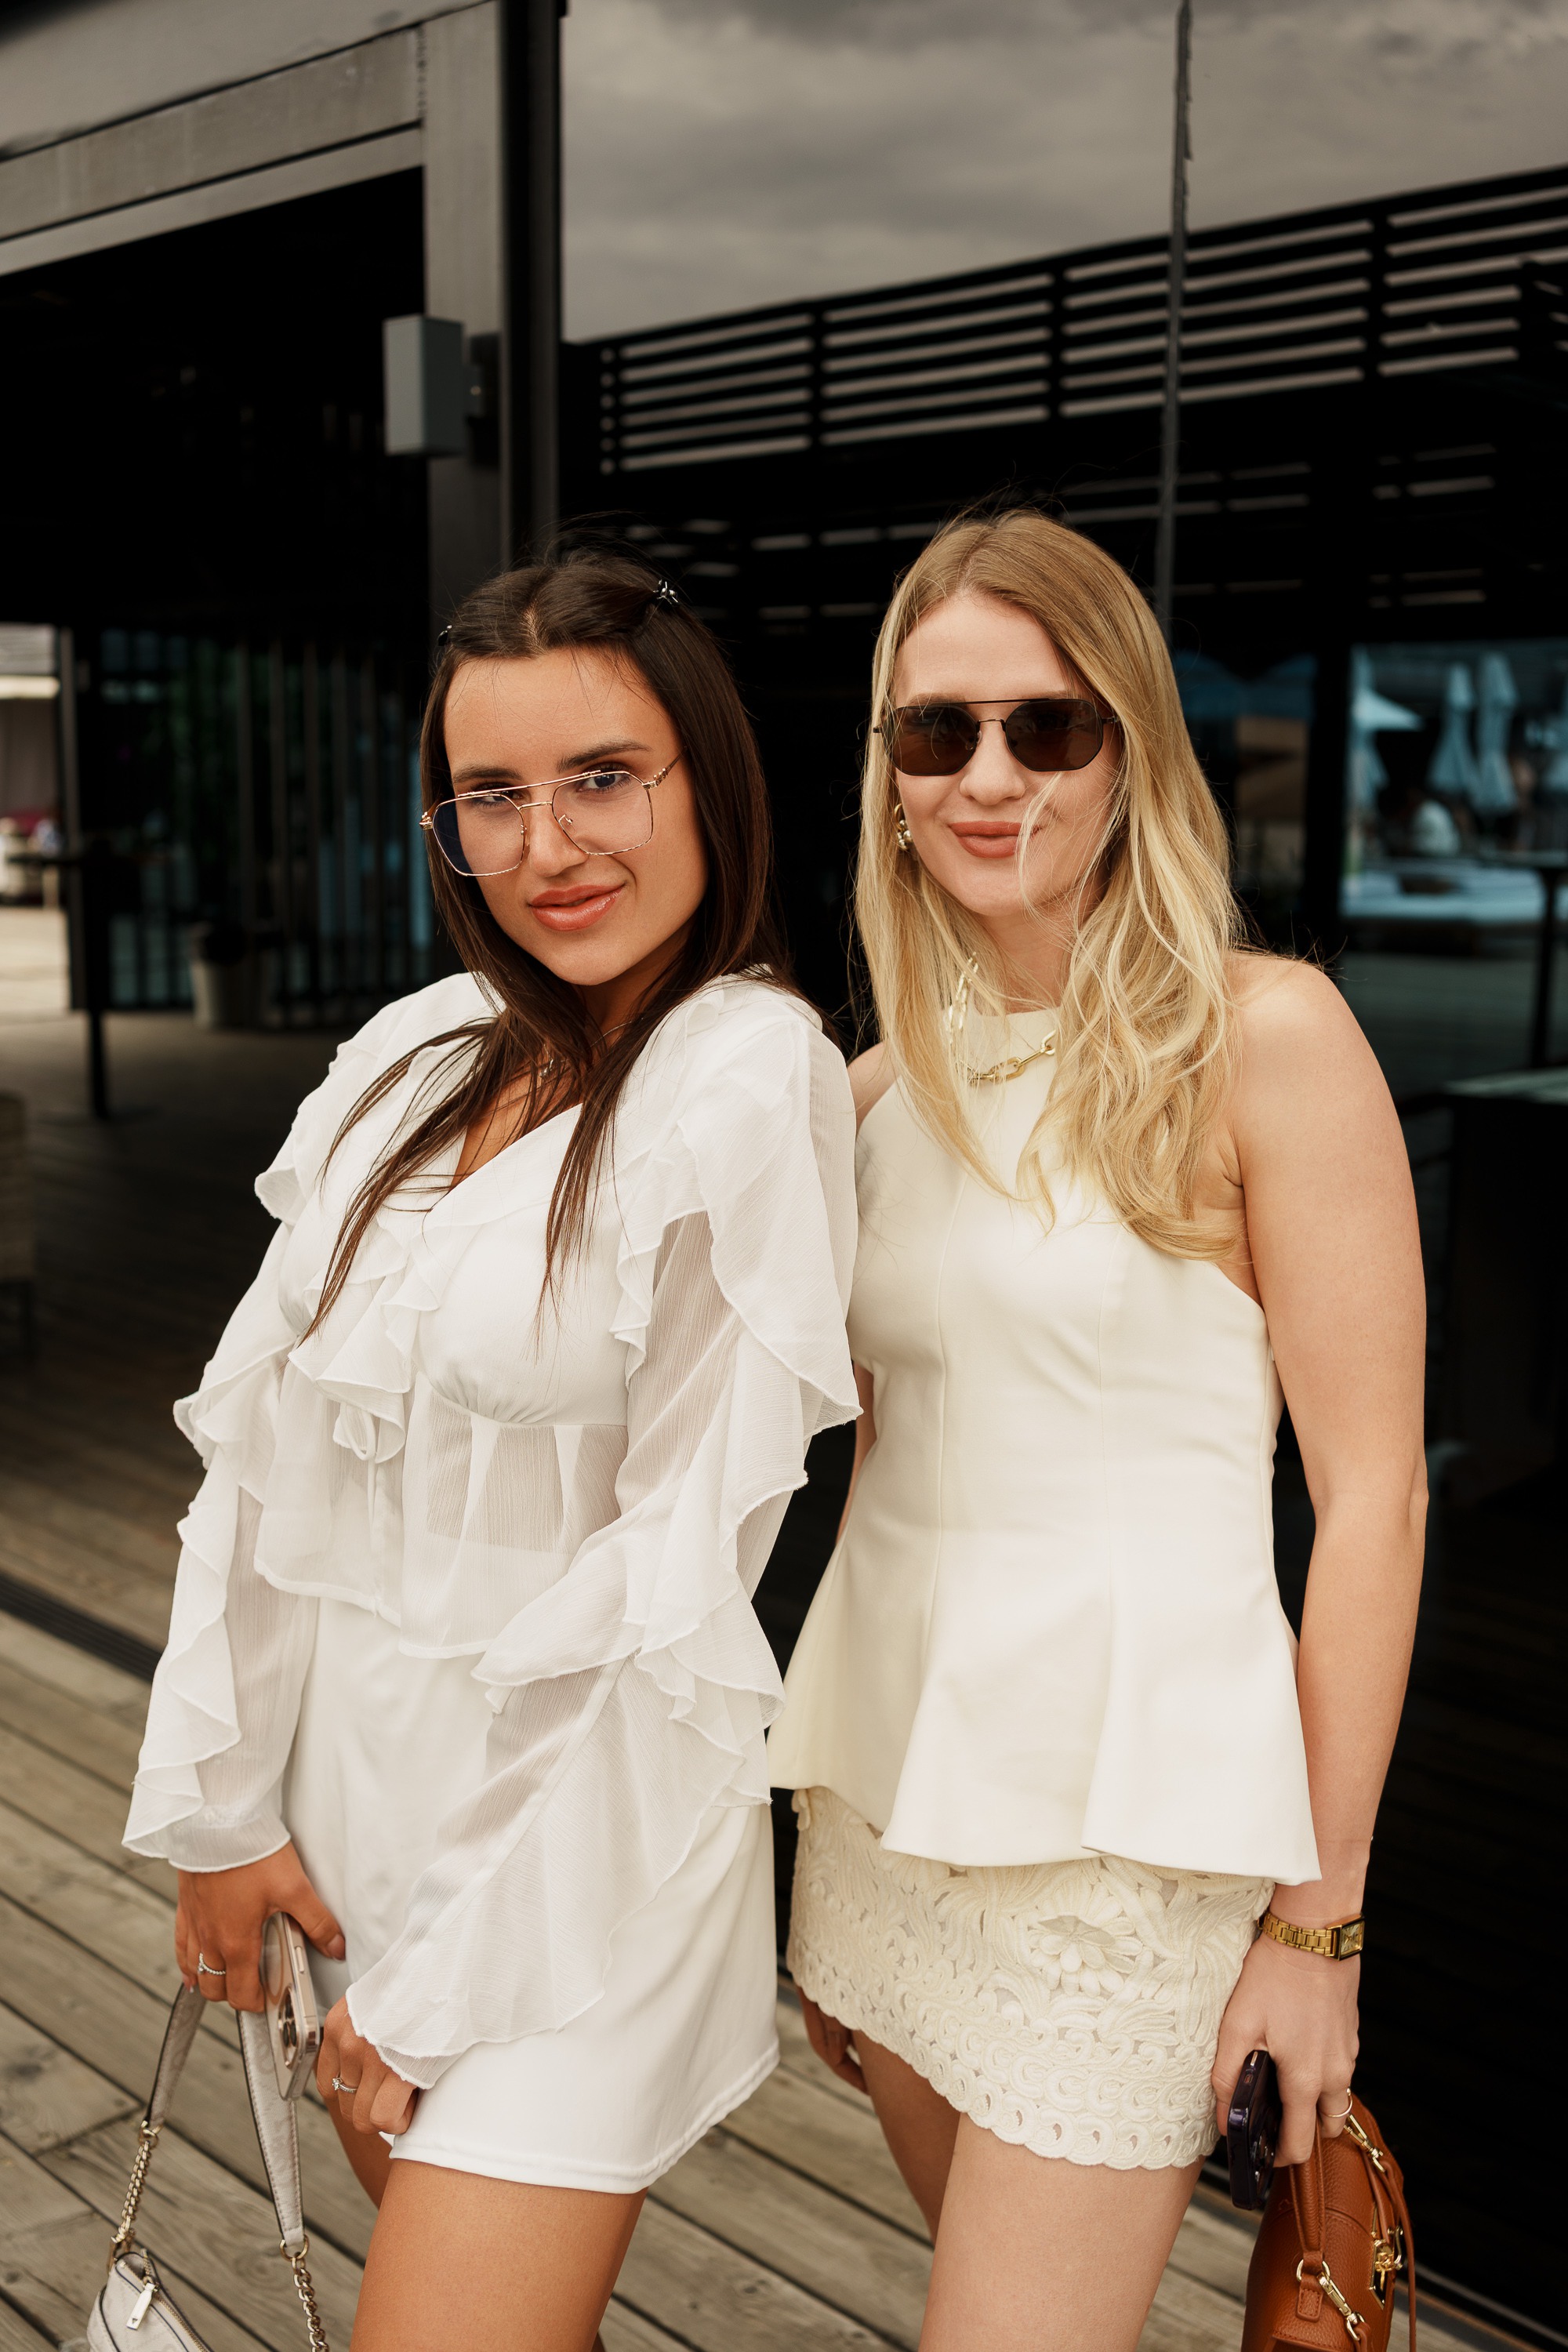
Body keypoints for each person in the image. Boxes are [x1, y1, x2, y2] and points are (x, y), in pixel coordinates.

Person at [125, 552, 858, 2352]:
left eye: (603, 777)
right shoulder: (420, 1049)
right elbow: (263, 1461)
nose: (548, 846)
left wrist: (449, 1973)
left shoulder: (744, 1074)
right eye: (491, 795)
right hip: (353, 1796)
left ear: (707, 779)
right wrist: (225, 1809)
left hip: (578, 1842)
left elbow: (672, 1574)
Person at [768, 510, 1425, 2351]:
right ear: (889, 772)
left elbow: (1372, 1503)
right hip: (886, 1812)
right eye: (936, 731)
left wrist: (1317, 1930)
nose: (988, 777)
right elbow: (882, 1459)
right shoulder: (871, 1092)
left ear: (1128, 747)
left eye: (1044, 727)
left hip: (1130, 1853)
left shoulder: (1263, 1038)